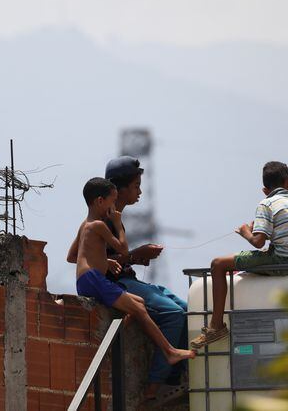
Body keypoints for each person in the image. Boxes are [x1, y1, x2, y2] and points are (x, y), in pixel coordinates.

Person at [67, 177, 196, 368]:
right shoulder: (100, 225)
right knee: (138, 308)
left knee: (139, 303)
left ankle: (117, 335)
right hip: (93, 280)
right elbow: (123, 250)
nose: (114, 209)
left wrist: (105, 260)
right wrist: (118, 224)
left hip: (87, 278)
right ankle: (170, 352)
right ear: (100, 201)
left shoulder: (85, 225)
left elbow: (72, 256)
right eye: (112, 202)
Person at [190, 161, 288, 349]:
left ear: (265, 190)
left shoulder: (266, 204)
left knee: (218, 264)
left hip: (283, 261)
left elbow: (258, 242)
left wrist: (245, 231)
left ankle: (216, 327)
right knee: (255, 259)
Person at [104, 156, 191, 401]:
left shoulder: (117, 216)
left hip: (128, 279)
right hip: (117, 285)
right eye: (135, 186)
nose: (140, 191)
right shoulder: (103, 220)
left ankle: (175, 380)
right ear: (118, 189)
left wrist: (134, 257)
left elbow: (116, 257)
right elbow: (96, 264)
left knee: (185, 309)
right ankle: (155, 388)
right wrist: (135, 255)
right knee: (172, 314)